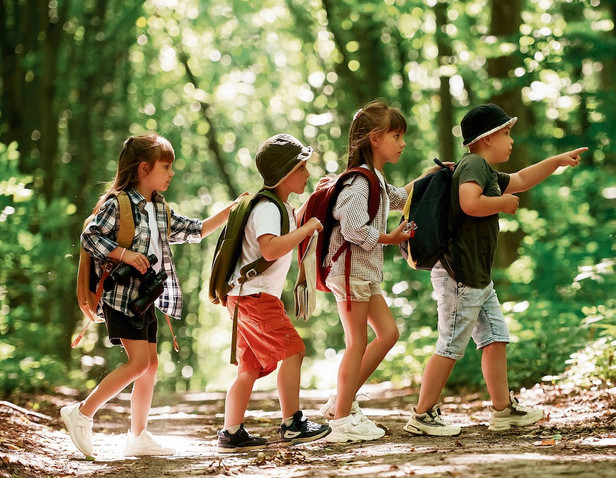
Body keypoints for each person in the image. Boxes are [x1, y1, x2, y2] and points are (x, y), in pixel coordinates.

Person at [403, 104, 588, 436]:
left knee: (495, 338)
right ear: (487, 138)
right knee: (450, 345)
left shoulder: (483, 169)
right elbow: (469, 202)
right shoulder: (474, 164)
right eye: (506, 133)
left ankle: (503, 411)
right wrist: (502, 204)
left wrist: (556, 161)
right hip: (460, 276)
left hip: (477, 277)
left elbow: (520, 180)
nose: (511, 140)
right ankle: (422, 415)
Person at [61, 133, 240, 457]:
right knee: (138, 364)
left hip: (145, 299)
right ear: (145, 168)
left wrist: (234, 208)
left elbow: (196, 230)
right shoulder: (118, 203)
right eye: (166, 166)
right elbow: (90, 236)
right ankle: (82, 413)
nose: (172, 173)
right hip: (121, 298)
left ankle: (138, 436)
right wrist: (124, 254)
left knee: (150, 365)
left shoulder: (158, 208)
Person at [216, 134, 330, 453]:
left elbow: (288, 227)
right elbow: (269, 249)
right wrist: (307, 229)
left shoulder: (278, 206)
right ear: (285, 172)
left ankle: (231, 432)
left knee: (249, 368)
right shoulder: (268, 209)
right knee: (293, 351)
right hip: (256, 297)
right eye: (302, 167)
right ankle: (292, 424)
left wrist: (314, 199)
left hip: (243, 295)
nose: (307, 172)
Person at [318, 99, 418, 443]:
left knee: (388, 334)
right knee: (357, 342)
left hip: (364, 273)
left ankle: (340, 403)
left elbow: (402, 198)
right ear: (375, 139)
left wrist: (435, 177)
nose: (402, 143)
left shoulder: (376, 179)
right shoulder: (359, 183)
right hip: (349, 272)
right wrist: (391, 238)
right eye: (396, 135)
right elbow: (353, 229)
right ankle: (342, 421)